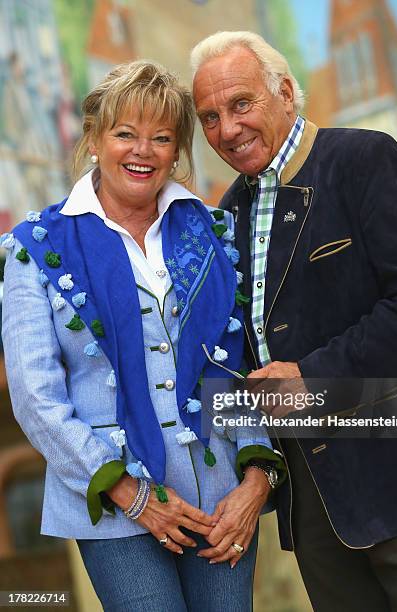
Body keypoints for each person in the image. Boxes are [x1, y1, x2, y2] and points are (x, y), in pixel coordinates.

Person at [1, 59, 286, 612]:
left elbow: (233, 363)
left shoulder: (214, 231)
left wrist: (255, 475)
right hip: (114, 504)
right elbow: (35, 396)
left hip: (219, 498)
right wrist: (130, 495)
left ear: (177, 151)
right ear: (93, 139)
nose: (143, 151)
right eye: (125, 133)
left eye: (161, 138)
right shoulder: (35, 247)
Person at [191, 31, 397, 612]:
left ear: (285, 92)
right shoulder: (226, 214)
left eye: (240, 104)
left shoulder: (363, 158)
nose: (226, 130)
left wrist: (318, 378)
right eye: (208, 117)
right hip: (316, 515)